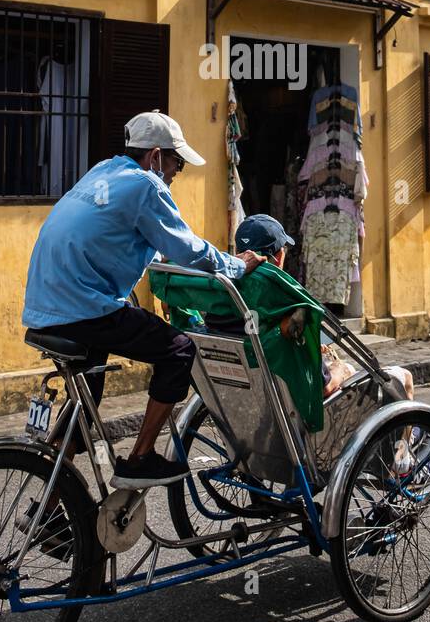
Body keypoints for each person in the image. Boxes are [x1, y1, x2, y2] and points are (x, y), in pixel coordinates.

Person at [22, 110, 264, 489]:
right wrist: (235, 265)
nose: (175, 173)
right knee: (179, 350)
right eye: (175, 163)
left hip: (46, 305)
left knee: (88, 395)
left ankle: (52, 503)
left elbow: (113, 233)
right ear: (155, 157)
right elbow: (190, 249)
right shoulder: (146, 186)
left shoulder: (103, 171)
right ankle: (140, 459)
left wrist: (159, 253)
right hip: (84, 308)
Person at [230, 215, 415, 403]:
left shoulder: (224, 298)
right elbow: (323, 388)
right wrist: (341, 369)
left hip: (248, 392)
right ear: (278, 258)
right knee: (403, 376)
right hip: (295, 405)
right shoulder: (288, 304)